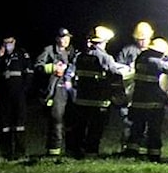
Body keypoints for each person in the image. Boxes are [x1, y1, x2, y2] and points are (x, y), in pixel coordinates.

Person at [70, 25, 124, 158]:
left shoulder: (80, 56)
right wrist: (118, 94)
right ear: (103, 42)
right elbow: (116, 77)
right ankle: (91, 153)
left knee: (79, 128)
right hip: (99, 101)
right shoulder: (106, 58)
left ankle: (76, 152)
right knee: (95, 129)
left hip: (81, 100)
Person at [122, 36, 168, 161]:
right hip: (153, 103)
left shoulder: (141, 57)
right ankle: (154, 154)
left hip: (138, 100)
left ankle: (132, 151)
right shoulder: (155, 61)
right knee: (154, 129)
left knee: (137, 127)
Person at [33, 27, 76, 157]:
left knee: (72, 120)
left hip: (70, 89)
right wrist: (52, 68)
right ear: (57, 38)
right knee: (56, 120)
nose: (65, 40)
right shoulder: (49, 50)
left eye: (67, 38)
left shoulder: (72, 51)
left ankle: (71, 149)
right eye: (63, 38)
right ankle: (54, 151)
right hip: (56, 90)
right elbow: (38, 66)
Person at [113, 21, 154, 149]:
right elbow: (117, 68)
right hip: (129, 91)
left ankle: (143, 146)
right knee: (128, 120)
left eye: (144, 39)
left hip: (148, 92)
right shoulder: (128, 51)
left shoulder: (155, 51)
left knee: (147, 121)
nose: (142, 42)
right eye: (139, 39)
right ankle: (127, 146)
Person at [0, 35, 33, 160]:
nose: (7, 45)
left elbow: (29, 74)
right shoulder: (1, 57)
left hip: (18, 95)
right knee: (5, 125)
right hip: (4, 96)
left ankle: (20, 153)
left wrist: (24, 90)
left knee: (19, 124)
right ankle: (6, 153)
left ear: (14, 42)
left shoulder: (22, 54)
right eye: (5, 43)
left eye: (10, 42)